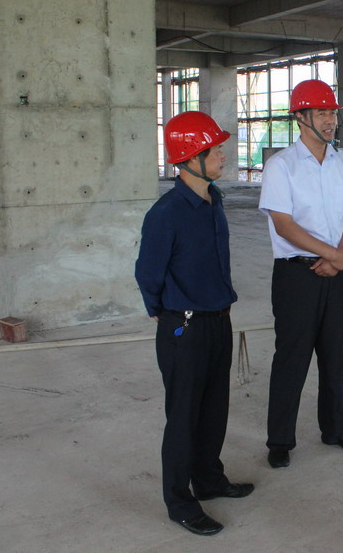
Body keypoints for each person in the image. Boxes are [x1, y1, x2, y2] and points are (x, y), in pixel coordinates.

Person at [135, 111, 253, 537]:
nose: (223, 155)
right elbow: (148, 272)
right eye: (215, 149)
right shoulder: (166, 213)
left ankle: (208, 479)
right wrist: (162, 309)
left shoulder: (213, 199)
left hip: (218, 321)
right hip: (184, 328)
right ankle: (180, 502)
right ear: (191, 157)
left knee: (214, 409)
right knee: (184, 417)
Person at [259, 79, 343, 469]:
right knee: (291, 357)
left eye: (332, 113)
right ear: (301, 117)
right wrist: (334, 255)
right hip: (296, 276)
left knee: (333, 355)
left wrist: (338, 259)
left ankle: (336, 429)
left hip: (336, 274)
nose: (329, 121)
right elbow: (284, 224)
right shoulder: (281, 166)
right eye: (321, 113)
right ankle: (279, 440)